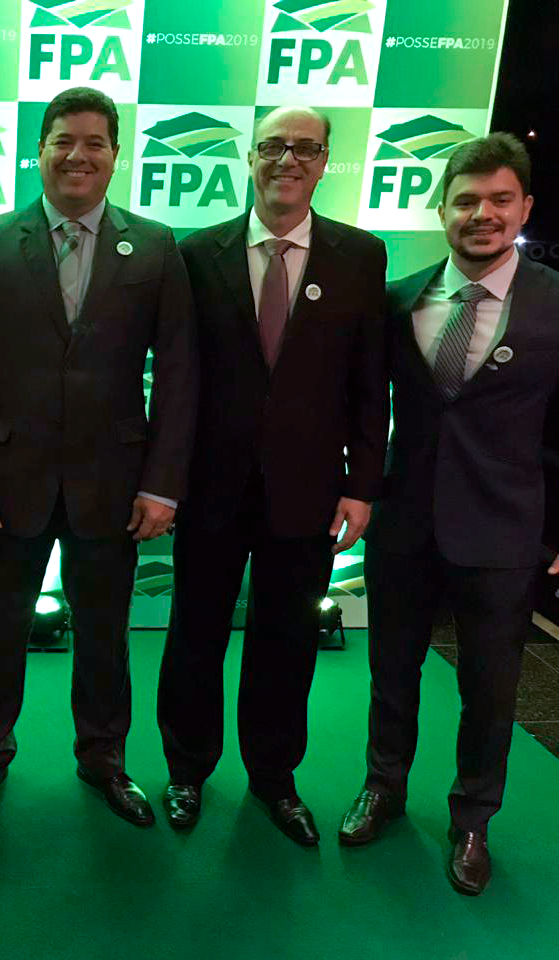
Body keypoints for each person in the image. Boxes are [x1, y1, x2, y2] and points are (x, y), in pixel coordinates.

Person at [0, 86, 197, 827]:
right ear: (40, 150)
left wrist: (163, 487)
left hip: (113, 484)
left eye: (94, 142)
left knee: (107, 635)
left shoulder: (155, 246)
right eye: (63, 141)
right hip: (5, 484)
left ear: (116, 155)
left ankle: (104, 760)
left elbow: (180, 375)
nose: (78, 155)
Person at [156, 106, 388, 845]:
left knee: (287, 640)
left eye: (305, 149)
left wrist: (362, 484)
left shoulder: (361, 255)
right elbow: (177, 381)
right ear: (250, 158)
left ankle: (273, 779)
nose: (288, 160)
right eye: (273, 146)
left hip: (308, 491)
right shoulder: (196, 254)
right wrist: (163, 479)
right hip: (209, 488)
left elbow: (369, 381)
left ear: (324, 163)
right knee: (195, 633)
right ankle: (187, 768)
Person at [338, 133, 559, 895]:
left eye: (500, 200)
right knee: (390, 671)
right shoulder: (399, 299)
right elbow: (368, 410)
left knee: (490, 690)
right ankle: (383, 788)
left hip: (505, 531)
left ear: (524, 208)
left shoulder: (556, 303)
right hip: (405, 523)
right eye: (466, 200)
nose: (482, 214)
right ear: (441, 210)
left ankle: (472, 820)